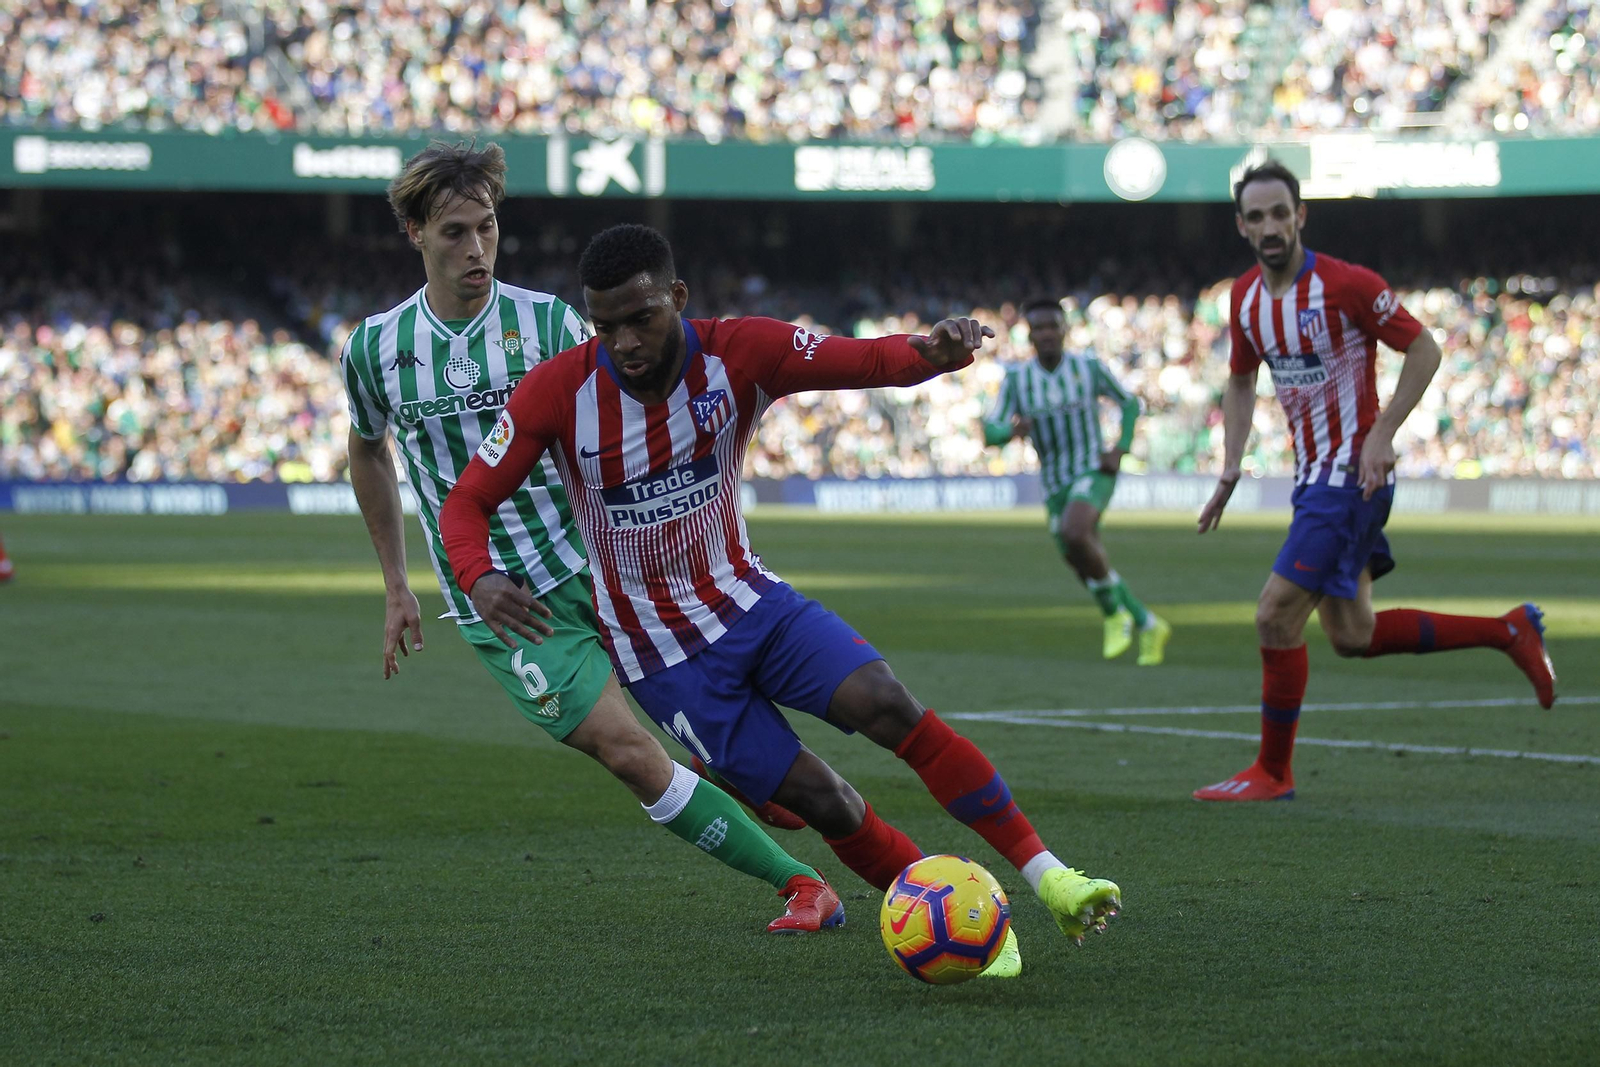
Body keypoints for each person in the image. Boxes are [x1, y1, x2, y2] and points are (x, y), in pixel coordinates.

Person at [441, 223, 1123, 978]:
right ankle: (966, 920)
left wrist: (929, 354)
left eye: (641, 318)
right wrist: (479, 575)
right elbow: (465, 501)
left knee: (889, 704)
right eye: (606, 326)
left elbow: (861, 359)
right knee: (826, 801)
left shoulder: (741, 351)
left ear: (677, 297)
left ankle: (1051, 877)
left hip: (752, 603)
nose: (625, 342)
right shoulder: (558, 390)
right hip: (661, 658)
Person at [340, 142, 842, 932]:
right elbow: (368, 450)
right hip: (504, 602)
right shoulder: (374, 348)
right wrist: (396, 582)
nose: (477, 248)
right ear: (415, 233)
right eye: (455, 232)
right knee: (626, 751)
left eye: (487, 227)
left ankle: (729, 765)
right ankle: (801, 884)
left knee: (711, 709)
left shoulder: (548, 323)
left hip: (605, 568)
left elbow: (626, 407)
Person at [1193, 161, 1557, 802]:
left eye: (1280, 213)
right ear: (1242, 227)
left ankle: (1272, 773)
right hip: (1313, 479)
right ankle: (1508, 630)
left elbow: (1424, 347)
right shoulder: (1245, 298)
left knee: (1274, 615)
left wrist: (1383, 433)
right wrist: (1230, 464)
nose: (1270, 226)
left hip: (1350, 477)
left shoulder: (1347, 285)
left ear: (1300, 216)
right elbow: (1241, 380)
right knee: (1351, 635)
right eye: (1256, 217)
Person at [983, 298, 1169, 664]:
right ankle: (1148, 623)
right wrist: (1011, 431)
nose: (1046, 334)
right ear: (1029, 335)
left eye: (1053, 326)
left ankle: (1113, 615)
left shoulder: (1088, 367)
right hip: (1054, 482)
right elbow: (990, 431)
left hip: (1091, 470)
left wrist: (1121, 448)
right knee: (1081, 560)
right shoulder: (1018, 380)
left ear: (1065, 330)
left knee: (1075, 531)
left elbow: (1129, 403)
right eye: (1039, 328)